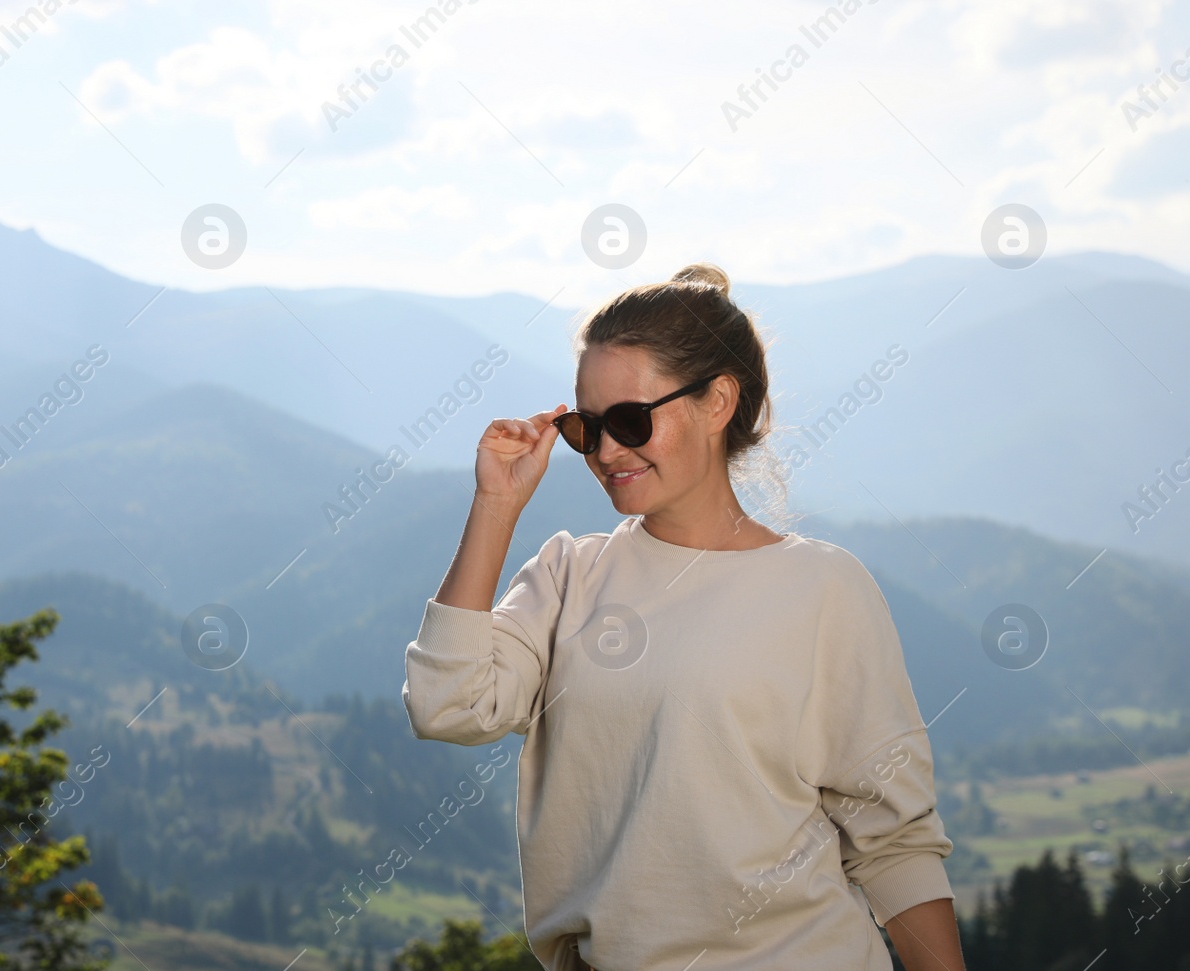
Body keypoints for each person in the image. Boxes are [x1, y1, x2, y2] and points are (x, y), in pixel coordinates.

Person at [402, 264, 965, 971]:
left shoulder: (825, 588)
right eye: (586, 427)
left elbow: (895, 842)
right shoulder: (569, 574)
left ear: (717, 401)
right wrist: (495, 505)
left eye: (632, 420)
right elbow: (445, 704)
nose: (606, 451)